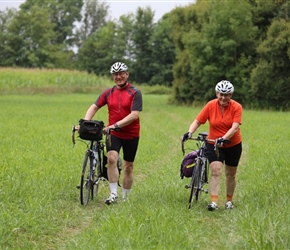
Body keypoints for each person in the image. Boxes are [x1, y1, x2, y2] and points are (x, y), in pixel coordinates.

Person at [84, 62, 142, 205]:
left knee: (128, 166)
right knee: (111, 159)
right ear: (112, 77)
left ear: (127, 74)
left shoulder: (135, 92)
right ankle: (113, 194)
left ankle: (125, 197)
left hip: (131, 134)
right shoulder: (108, 93)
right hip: (113, 134)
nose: (118, 77)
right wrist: (85, 122)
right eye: (115, 74)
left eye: (121, 73)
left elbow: (134, 115)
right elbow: (94, 106)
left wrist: (115, 125)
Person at [181, 80, 242, 211]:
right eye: (221, 94)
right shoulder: (210, 105)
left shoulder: (237, 107)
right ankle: (214, 202)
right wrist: (189, 132)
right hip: (213, 143)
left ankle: (229, 201)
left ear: (231, 95)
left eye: (227, 95)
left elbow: (235, 127)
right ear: (216, 93)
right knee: (216, 171)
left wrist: (224, 138)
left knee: (230, 174)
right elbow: (198, 121)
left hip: (233, 144)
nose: (223, 98)